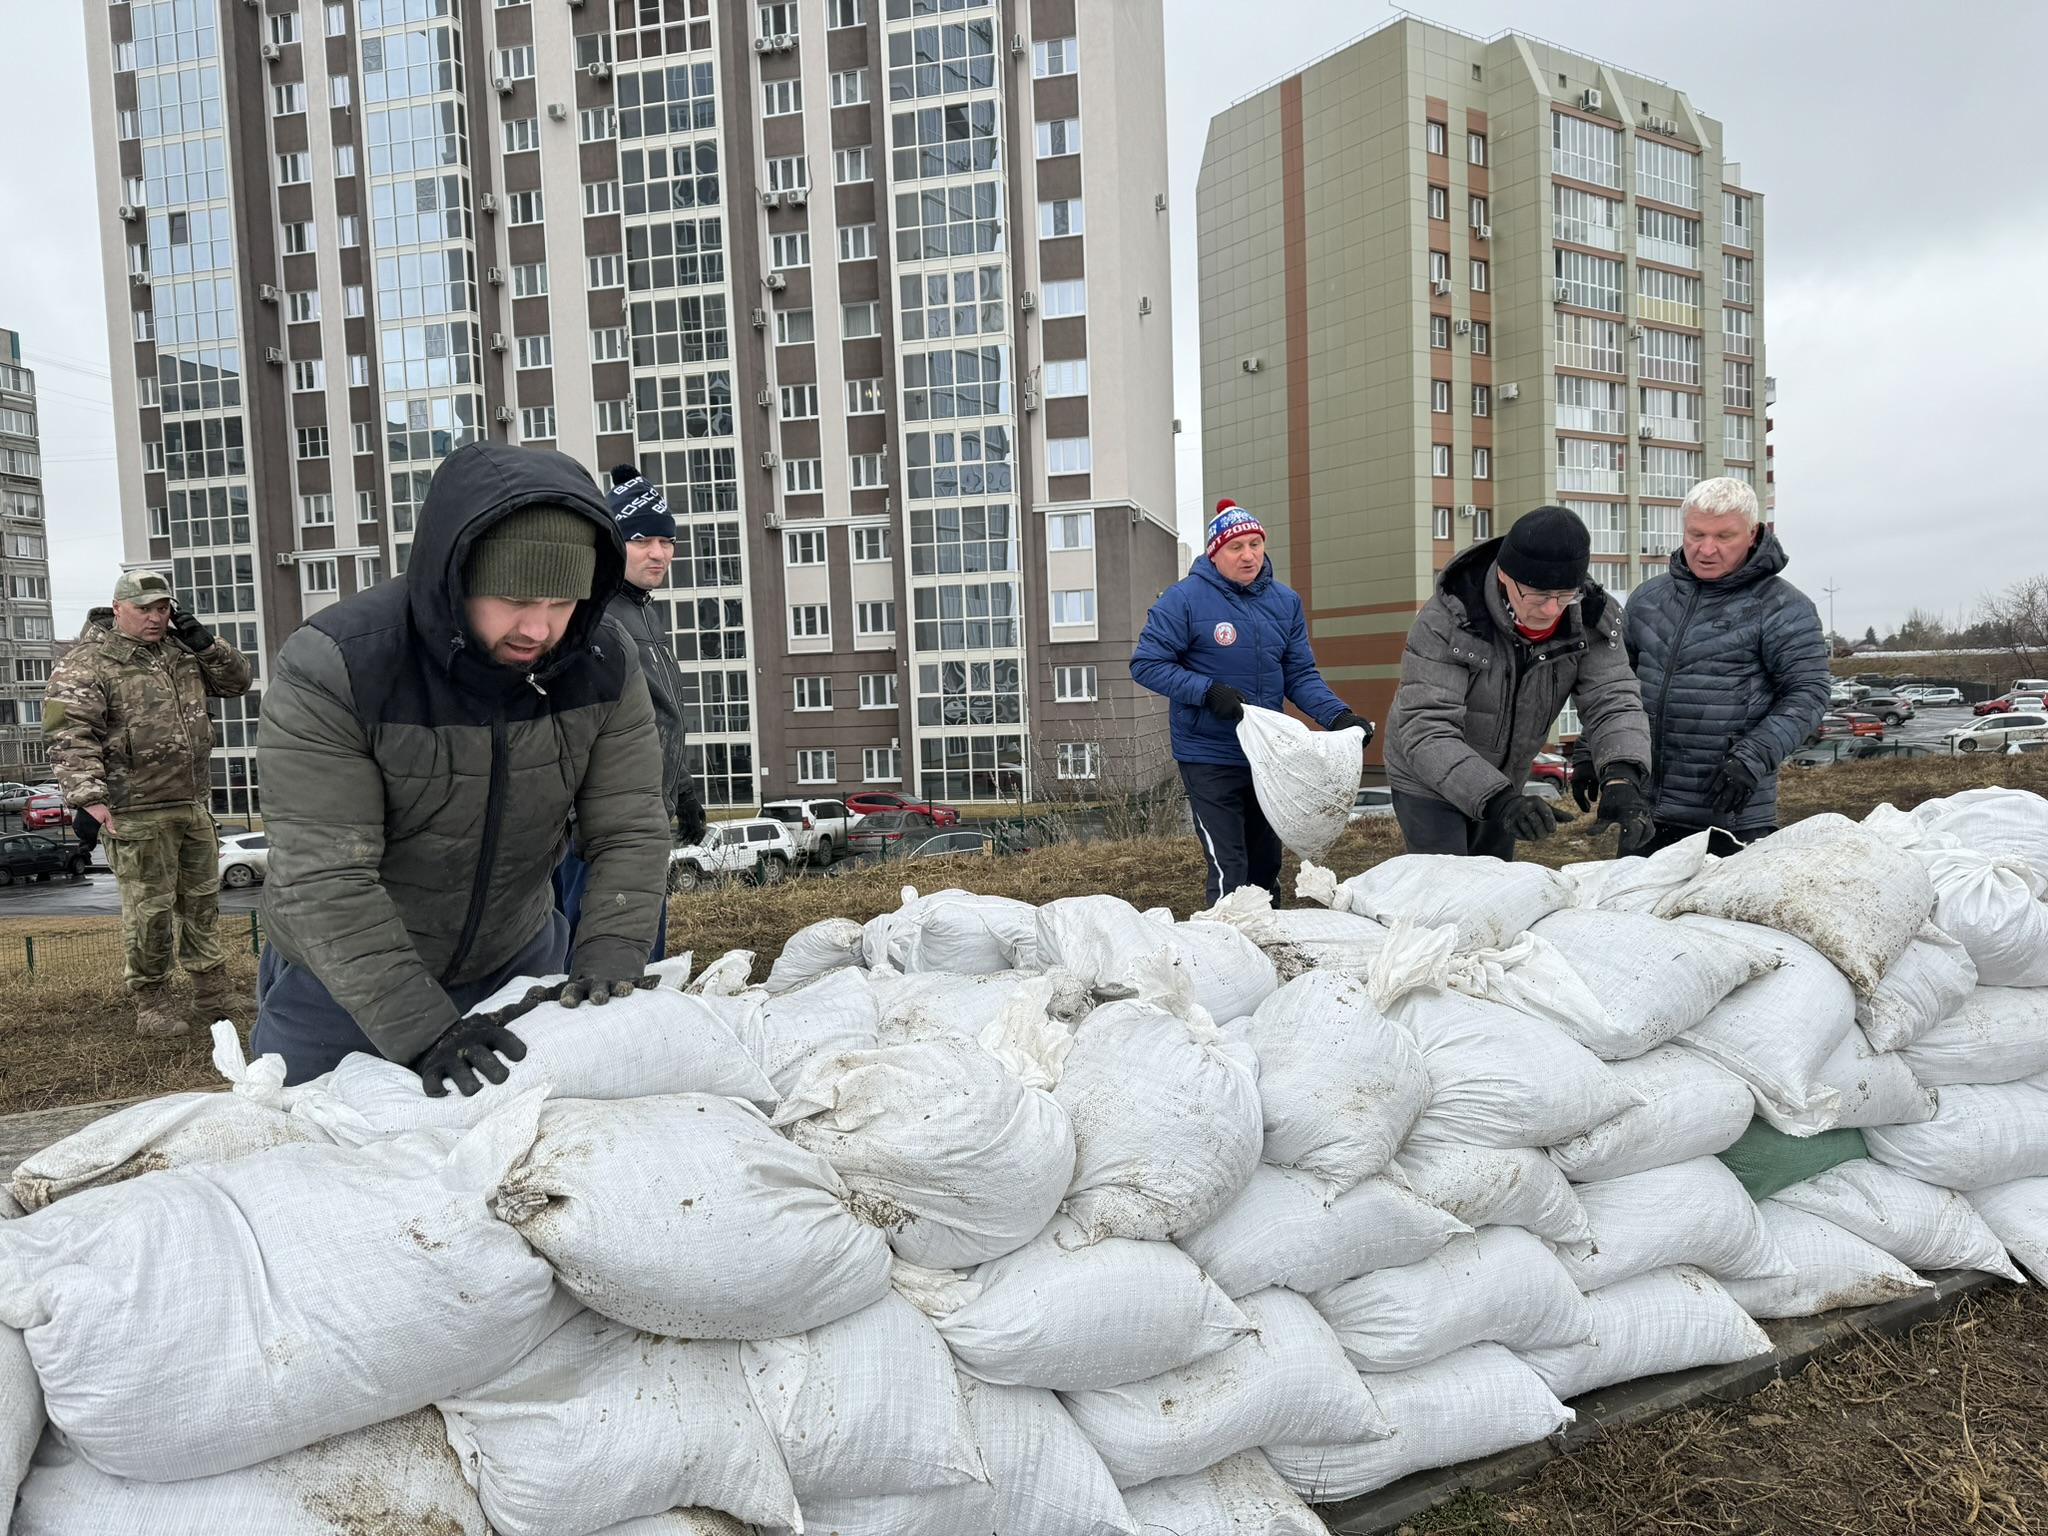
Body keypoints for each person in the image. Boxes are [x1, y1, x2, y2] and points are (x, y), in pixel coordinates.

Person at [252, 442, 671, 1094]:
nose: (538, 628)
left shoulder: (602, 662)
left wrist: (611, 957)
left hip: (517, 960)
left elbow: (630, 825)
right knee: (310, 1155)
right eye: (512, 598)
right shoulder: (340, 667)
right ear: (456, 577)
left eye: (562, 603)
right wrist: (424, 1031)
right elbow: (325, 875)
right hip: (338, 986)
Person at [42, 569, 253, 1036]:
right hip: (133, 809)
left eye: (162, 608)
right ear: (118, 608)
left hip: (192, 801)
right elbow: (68, 734)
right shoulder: (89, 662)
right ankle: (152, 1001)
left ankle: (211, 992)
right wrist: (89, 798)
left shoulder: (181, 652)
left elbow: (237, 683)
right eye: (144, 609)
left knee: (201, 901)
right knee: (149, 910)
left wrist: (206, 644)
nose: (155, 618)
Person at [1131, 498, 1373, 906]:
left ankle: (1268, 952)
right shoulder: (1183, 600)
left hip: (1267, 757)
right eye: (1236, 547)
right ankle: (1225, 955)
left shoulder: (1284, 602)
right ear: (1215, 552)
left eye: (1255, 544)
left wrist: (1339, 717)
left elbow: (1299, 675)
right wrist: (1208, 691)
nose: (1249, 555)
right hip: (1208, 753)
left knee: (1265, 866)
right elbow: (1147, 664)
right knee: (1230, 867)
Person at [1575, 477, 1830, 856]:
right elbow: (1614, 688)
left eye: (1724, 537)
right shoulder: (1649, 599)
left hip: (1731, 813)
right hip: (1646, 811)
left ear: (1753, 533)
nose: (1706, 549)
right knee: (1634, 914)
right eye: (1696, 534)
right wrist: (1590, 751)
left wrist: (1752, 757)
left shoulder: (1783, 608)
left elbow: (1808, 694)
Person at [1384, 507, 1654, 860]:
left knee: (1494, 885)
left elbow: (1613, 700)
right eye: (1538, 595)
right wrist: (1501, 801)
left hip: (1506, 777)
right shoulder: (1448, 620)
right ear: (1505, 576)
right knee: (1444, 890)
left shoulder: (1592, 618)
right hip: (1427, 774)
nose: (1550, 609)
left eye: (1564, 595)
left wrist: (1622, 776)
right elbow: (1427, 728)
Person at [552, 464, 708, 961]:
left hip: (641, 814)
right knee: (600, 956)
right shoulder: (592, 616)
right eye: (642, 539)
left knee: (639, 954)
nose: (659, 554)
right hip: (603, 825)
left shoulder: (642, 610)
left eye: (668, 542)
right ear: (613, 543)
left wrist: (681, 791)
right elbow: (575, 721)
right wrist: (580, 816)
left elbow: (656, 715)